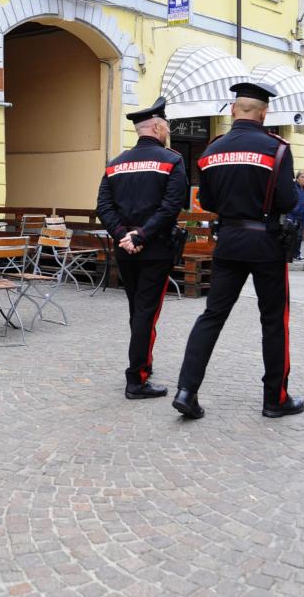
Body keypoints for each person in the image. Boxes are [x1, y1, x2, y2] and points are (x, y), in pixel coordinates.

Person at [172, 82, 304, 420]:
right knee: (274, 321)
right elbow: (288, 201)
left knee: (212, 317)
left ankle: (186, 390)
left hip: (228, 241)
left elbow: (207, 201)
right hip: (267, 244)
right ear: (264, 113)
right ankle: (275, 398)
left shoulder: (212, 149)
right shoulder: (276, 148)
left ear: (233, 110)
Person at [96, 96, 188, 400]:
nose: (167, 132)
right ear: (159, 127)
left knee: (138, 309)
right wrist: (142, 235)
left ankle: (143, 363)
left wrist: (124, 235)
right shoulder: (172, 160)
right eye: (167, 127)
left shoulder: (115, 163)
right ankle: (136, 380)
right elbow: (172, 206)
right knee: (147, 312)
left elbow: (104, 207)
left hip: (125, 250)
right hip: (155, 250)